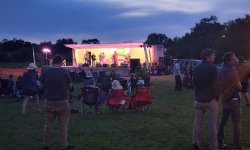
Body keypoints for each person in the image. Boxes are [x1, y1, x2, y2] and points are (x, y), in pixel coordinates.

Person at [40, 54, 73, 150]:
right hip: (62, 101)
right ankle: (63, 145)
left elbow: (41, 87)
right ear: (61, 62)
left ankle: (46, 144)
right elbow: (70, 86)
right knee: (63, 124)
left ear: (52, 61)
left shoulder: (45, 72)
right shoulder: (64, 71)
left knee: (48, 124)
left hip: (49, 101)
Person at [192, 48, 219, 150]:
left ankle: (196, 142)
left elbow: (194, 83)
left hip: (198, 100)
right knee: (212, 125)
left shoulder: (196, 68)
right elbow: (215, 85)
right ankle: (214, 146)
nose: (214, 56)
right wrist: (217, 97)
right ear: (208, 56)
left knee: (197, 123)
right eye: (213, 55)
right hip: (210, 100)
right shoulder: (213, 68)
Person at [218, 51, 243, 150]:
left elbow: (219, 84)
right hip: (233, 101)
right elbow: (239, 87)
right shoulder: (233, 71)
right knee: (236, 123)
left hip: (224, 100)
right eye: (233, 59)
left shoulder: (221, 70)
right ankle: (238, 147)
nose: (236, 60)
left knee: (222, 121)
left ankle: (220, 142)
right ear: (228, 61)